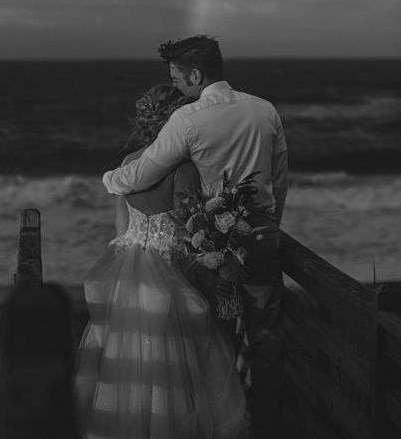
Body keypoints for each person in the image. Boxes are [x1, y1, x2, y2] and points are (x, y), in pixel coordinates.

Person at [103, 35, 288, 439]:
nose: (180, 87)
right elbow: (279, 182)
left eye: (179, 78)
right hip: (261, 237)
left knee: (216, 343)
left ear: (197, 74)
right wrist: (268, 229)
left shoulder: (186, 120)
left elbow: (140, 173)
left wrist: (110, 179)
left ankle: (222, 421)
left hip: (212, 246)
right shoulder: (265, 110)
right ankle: (266, 426)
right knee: (266, 338)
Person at [75, 84, 251, 439]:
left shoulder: (127, 164)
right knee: (177, 367)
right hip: (170, 272)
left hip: (127, 271)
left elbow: (120, 227)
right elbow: (187, 233)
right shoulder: (183, 170)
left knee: (126, 362)